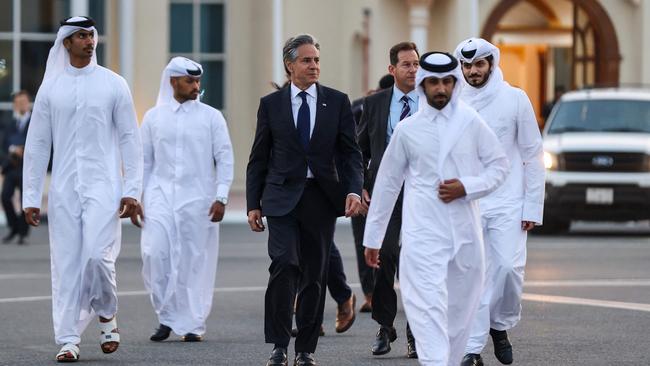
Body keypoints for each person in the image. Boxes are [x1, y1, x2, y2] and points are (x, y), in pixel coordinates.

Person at [363, 51, 509, 366]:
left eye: (446, 82)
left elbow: (499, 167)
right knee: (427, 308)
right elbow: (387, 184)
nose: (440, 89)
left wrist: (467, 187)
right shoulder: (407, 129)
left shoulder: (471, 121)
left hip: (464, 235)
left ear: (455, 83)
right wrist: (373, 238)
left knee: (458, 315)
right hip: (422, 234)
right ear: (422, 85)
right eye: (433, 82)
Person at [22, 16, 143, 362]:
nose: (89, 41)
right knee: (66, 264)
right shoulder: (51, 88)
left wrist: (132, 189)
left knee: (97, 257)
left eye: (91, 35)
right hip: (63, 190)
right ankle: (68, 338)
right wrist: (32, 197)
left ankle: (106, 311)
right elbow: (37, 146)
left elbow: (130, 140)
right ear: (66, 43)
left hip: (104, 187)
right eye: (80, 36)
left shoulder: (114, 84)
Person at [246, 34, 363, 366]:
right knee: (285, 264)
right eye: (306, 60)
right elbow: (259, 157)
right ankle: (279, 345)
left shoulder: (337, 102)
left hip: (321, 200)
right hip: (281, 198)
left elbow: (350, 154)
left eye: (316, 60)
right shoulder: (271, 105)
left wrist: (353, 189)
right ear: (290, 65)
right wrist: (254, 202)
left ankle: (306, 350)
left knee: (314, 275)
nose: (314, 66)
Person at [454, 38, 545, 366]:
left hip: (509, 200)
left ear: (491, 63)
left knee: (507, 270)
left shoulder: (515, 99)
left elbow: (533, 155)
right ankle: (473, 348)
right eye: (467, 65)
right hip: (467, 202)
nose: (472, 71)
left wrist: (532, 206)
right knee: (474, 276)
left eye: (478, 64)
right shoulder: (452, 101)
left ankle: (499, 325)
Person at [139, 57, 234, 343]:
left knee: (194, 261)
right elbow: (143, 162)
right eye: (189, 81)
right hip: (159, 198)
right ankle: (166, 316)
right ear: (173, 82)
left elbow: (225, 159)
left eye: (197, 81)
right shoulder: (153, 117)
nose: (196, 86)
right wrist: (136, 198)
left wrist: (221, 196)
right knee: (155, 254)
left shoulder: (211, 117)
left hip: (199, 200)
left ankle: (192, 323)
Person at [357, 41, 419, 358]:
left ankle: (415, 335)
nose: (413, 70)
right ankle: (385, 327)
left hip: (422, 197)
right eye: (406, 64)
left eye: (416, 63)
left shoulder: (432, 102)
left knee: (416, 266)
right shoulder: (376, 104)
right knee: (383, 260)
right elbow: (360, 150)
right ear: (392, 69)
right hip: (387, 194)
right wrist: (361, 185)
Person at [350, 73, 394, 314]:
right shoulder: (365, 107)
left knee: (376, 245)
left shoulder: (359, 103)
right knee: (367, 242)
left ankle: (373, 294)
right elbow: (355, 149)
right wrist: (358, 187)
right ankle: (371, 294)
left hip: (380, 185)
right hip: (368, 184)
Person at [2, 90, 31, 244]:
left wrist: (25, 149)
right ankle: (14, 227)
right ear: (15, 105)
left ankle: (22, 233)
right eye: (18, 102)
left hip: (27, 167)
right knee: (5, 197)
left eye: (24, 102)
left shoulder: (35, 121)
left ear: (28, 103)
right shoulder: (10, 122)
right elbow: (4, 143)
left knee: (25, 201)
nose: (21, 104)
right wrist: (13, 150)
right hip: (11, 167)